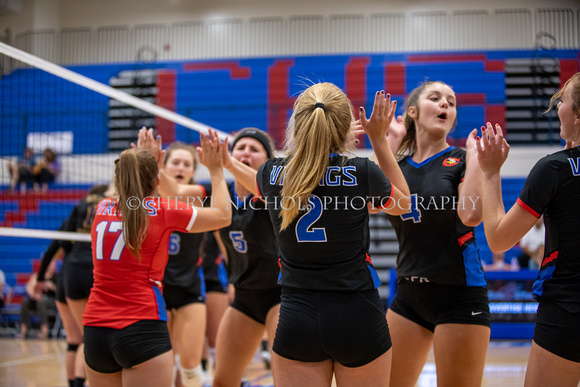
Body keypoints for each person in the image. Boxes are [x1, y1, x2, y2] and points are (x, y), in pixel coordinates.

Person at [256, 84, 410, 386]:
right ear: (344, 129)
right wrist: (379, 138)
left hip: (296, 317)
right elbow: (404, 204)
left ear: (297, 124)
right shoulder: (362, 172)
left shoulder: (267, 173)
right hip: (357, 315)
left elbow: (303, 170)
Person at [82, 129, 231, 387]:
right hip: (141, 325)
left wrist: (144, 162)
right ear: (157, 179)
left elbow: (130, 198)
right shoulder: (163, 210)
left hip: (96, 329)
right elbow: (222, 215)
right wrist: (217, 170)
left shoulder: (101, 208)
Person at [381, 80, 490, 386]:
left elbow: (471, 215)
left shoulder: (459, 160)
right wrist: (392, 139)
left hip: (459, 294)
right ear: (412, 112)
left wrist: (474, 156)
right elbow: (375, 202)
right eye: (436, 98)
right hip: (408, 295)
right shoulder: (398, 164)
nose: (446, 104)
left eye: (451, 102)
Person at [476, 72, 580, 386]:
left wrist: (491, 172)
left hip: (568, 310)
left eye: (562, 100)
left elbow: (497, 238)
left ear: (577, 114)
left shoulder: (555, 168)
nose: (557, 106)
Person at [158, 142, 208, 387]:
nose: (180, 167)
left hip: (189, 288)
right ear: (163, 166)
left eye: (186, 164)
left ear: (193, 171)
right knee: (160, 365)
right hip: (157, 290)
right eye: (175, 162)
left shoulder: (200, 198)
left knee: (190, 365)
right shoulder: (147, 199)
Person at [19, 265, 57, 339]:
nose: (52, 266)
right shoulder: (38, 275)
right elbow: (29, 287)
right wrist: (34, 295)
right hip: (37, 299)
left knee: (41, 302)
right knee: (25, 302)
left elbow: (62, 291)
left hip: (51, 301)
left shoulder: (56, 277)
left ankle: (44, 331)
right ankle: (23, 331)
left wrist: (52, 286)